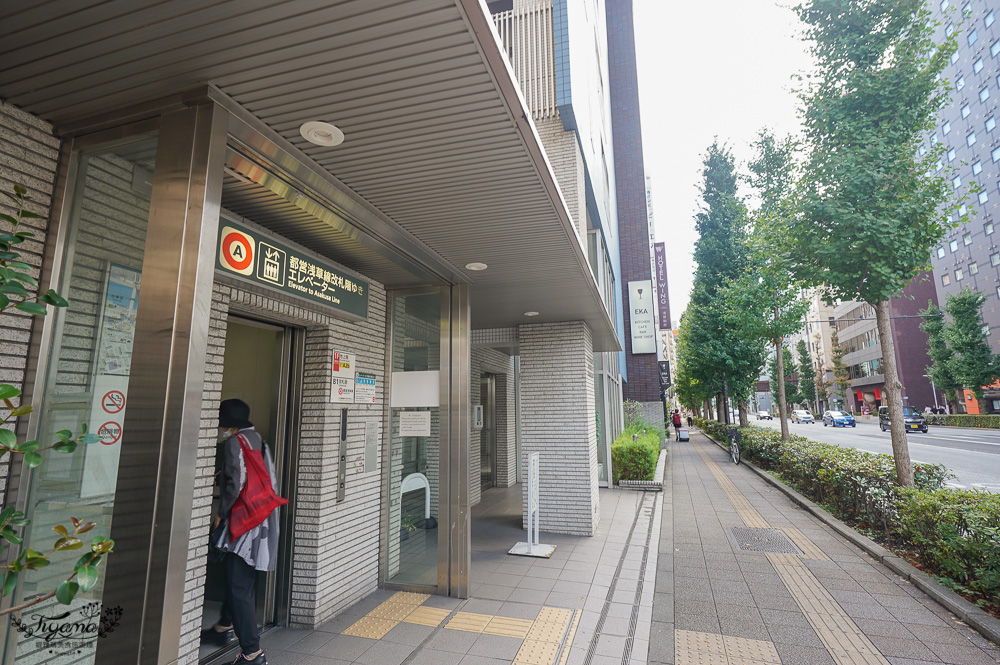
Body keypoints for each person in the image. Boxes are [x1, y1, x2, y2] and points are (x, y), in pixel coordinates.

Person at [201, 399, 281, 665]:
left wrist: (220, 514)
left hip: (244, 522)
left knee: (239, 585)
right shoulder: (258, 439)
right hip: (261, 520)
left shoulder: (236, 442)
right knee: (240, 578)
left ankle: (252, 653)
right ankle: (224, 625)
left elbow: (236, 484)